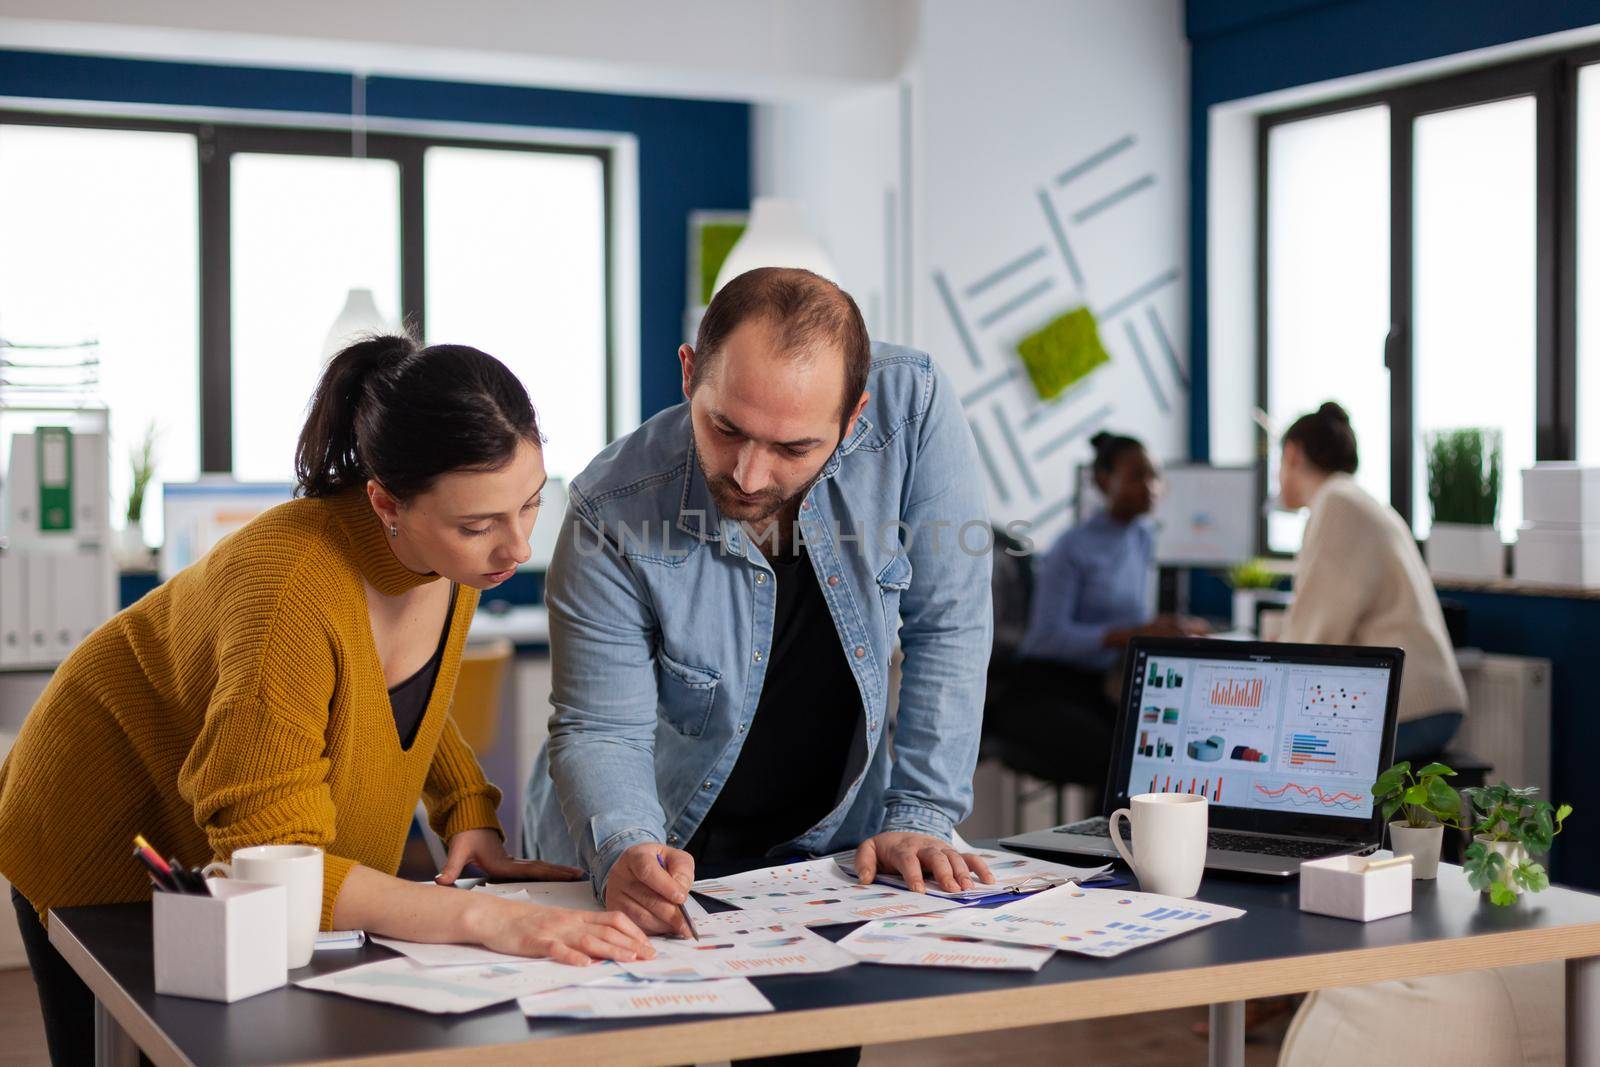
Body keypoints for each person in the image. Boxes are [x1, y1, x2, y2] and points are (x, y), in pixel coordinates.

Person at [0, 336, 649, 1066]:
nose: (515, 547)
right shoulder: (291, 588)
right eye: (478, 525)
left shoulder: (452, 562)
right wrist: (483, 917)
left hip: (220, 842)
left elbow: (400, 692)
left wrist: (467, 808)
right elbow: (271, 860)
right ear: (386, 503)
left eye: (530, 504)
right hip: (97, 817)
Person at [522, 267, 995, 1064]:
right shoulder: (612, 506)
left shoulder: (912, 406)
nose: (749, 474)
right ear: (688, 372)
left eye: (793, 447)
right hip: (656, 839)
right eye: (726, 428)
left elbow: (949, 621)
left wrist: (920, 809)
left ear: (855, 417)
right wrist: (627, 849)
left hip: (821, 853)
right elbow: (601, 726)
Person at [992, 433, 1206, 796]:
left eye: (1155, 476)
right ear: (1105, 481)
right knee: (1119, 758)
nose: (1151, 487)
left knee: (1157, 749)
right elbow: (1046, 638)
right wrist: (1134, 634)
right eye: (1138, 476)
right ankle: (1106, 846)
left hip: (1095, 687)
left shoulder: (1141, 537)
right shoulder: (1071, 548)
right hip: (1043, 688)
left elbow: (1131, 620)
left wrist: (1172, 628)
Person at [1276, 401, 1468, 761]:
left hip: (1410, 710)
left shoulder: (1336, 503)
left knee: (1291, 755)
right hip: (1426, 704)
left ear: (1292, 454)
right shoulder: (1358, 499)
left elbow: (1314, 635)